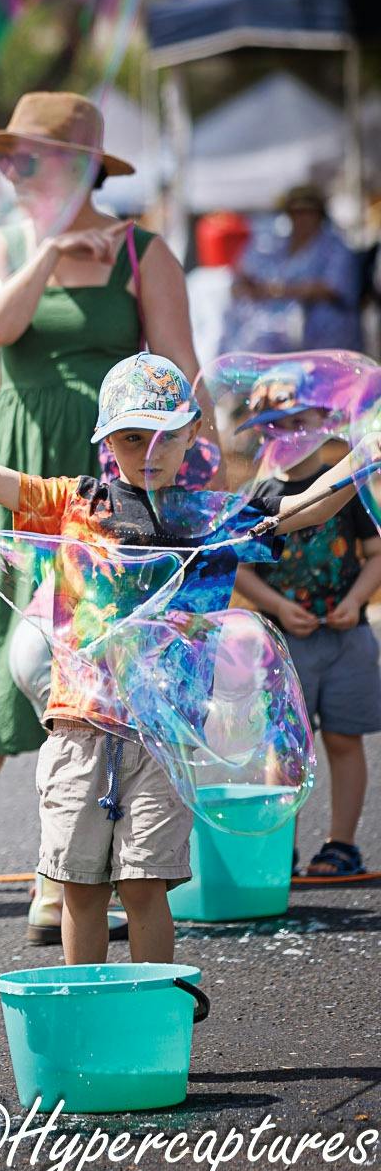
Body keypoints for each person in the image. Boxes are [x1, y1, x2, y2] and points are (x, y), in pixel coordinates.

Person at [0, 93, 202, 946]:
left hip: (123, 463)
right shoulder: (0, 242)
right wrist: (50, 249)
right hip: (25, 450)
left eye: (29, 158)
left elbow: (182, 372)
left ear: (80, 166)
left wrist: (205, 478)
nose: (10, 172)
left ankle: (74, 862)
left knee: (100, 655)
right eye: (7, 157)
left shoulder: (144, 251)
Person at [0, 351, 361, 963]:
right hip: (79, 727)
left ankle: (154, 1001)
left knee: (145, 886)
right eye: (132, 437)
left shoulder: (211, 518)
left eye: (165, 436)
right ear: (106, 441)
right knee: (80, 888)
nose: (149, 452)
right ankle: (87, 1001)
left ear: (191, 434)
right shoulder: (74, 503)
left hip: (163, 737)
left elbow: (305, 507)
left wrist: (364, 452)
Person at [231, 369, 381, 876]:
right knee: (285, 747)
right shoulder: (258, 495)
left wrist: (356, 601)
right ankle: (281, 849)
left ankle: (341, 845)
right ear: (260, 431)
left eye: (300, 421)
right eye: (276, 424)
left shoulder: (346, 484)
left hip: (346, 636)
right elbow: (240, 568)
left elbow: (376, 553)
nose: (289, 433)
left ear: (324, 420)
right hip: (283, 640)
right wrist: (277, 606)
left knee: (343, 739)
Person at [223, 185, 362, 355]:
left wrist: (279, 291)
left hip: (325, 339)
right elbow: (249, 271)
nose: (301, 218)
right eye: (296, 212)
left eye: (307, 212)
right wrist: (247, 284)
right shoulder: (278, 244)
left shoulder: (336, 247)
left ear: (319, 214)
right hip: (279, 334)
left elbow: (333, 288)